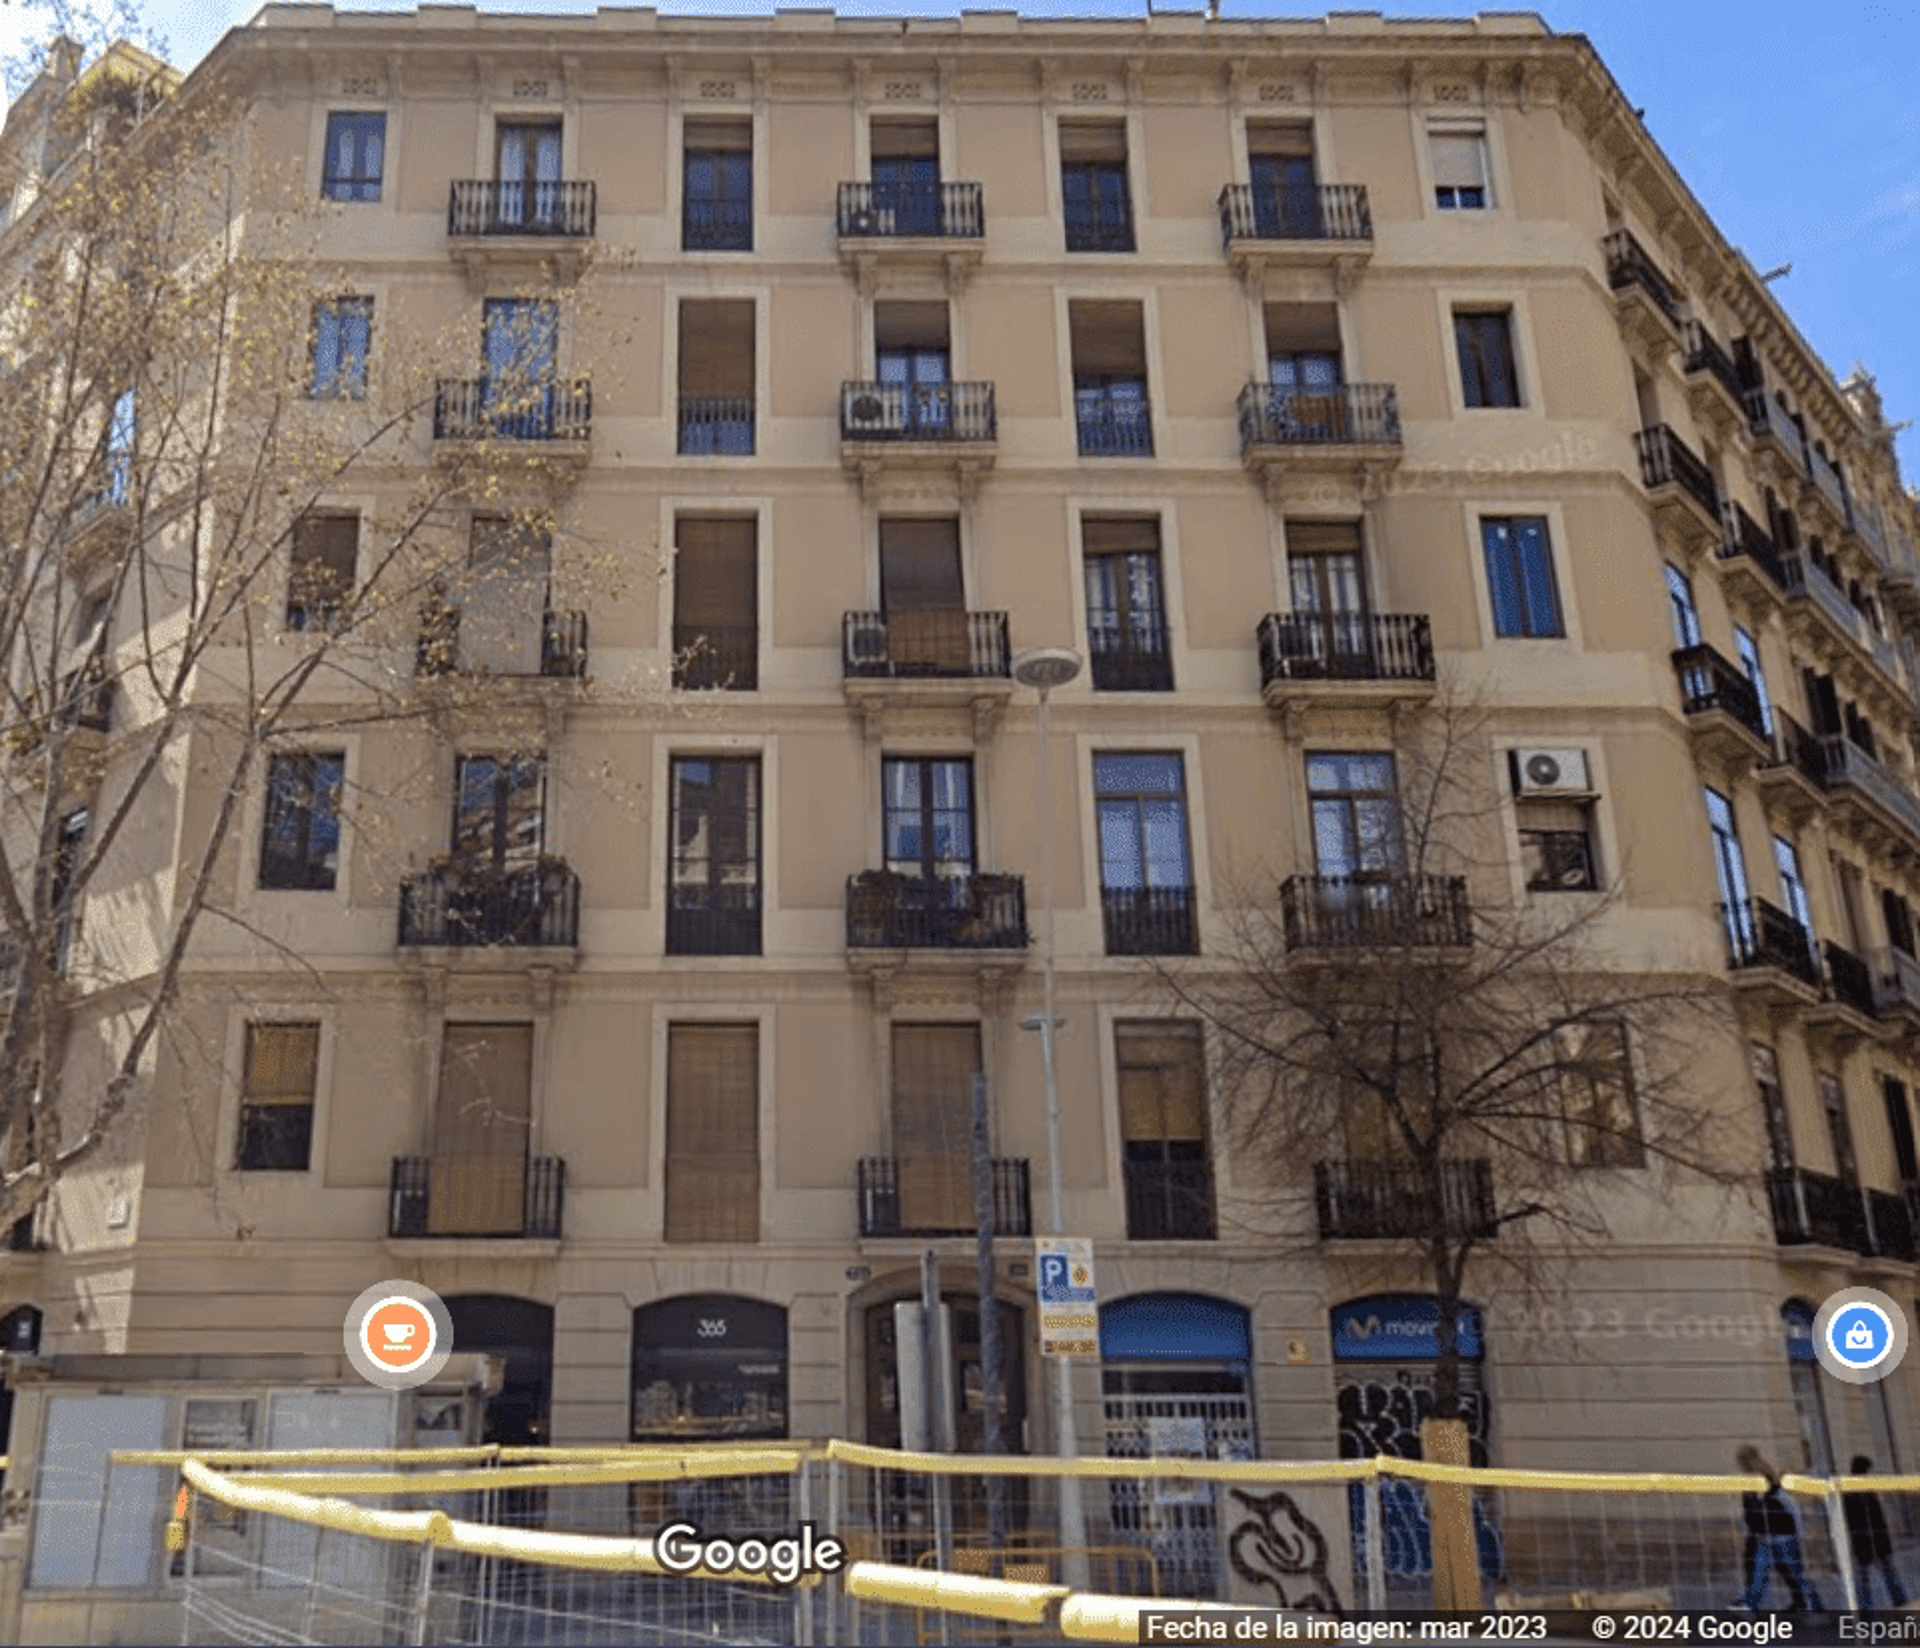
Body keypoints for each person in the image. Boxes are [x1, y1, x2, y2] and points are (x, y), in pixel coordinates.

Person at [1737, 1445, 1823, 1611]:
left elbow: (1762, 1505)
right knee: (1760, 1571)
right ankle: (1749, 1605)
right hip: (1766, 1533)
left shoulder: (1760, 1474)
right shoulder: (1757, 1474)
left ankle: (1814, 1607)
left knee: (1793, 1572)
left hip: (1779, 1532)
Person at [1845, 1455, 1909, 1608]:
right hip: (1869, 1539)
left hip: (1866, 1540)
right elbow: (1875, 1517)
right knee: (1879, 1574)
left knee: (1873, 1575)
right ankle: (1896, 1601)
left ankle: (1872, 1606)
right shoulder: (1856, 1490)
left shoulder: (1852, 1490)